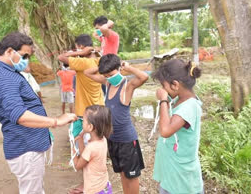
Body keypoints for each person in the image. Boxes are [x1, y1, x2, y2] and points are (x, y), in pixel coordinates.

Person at [0, 32, 77, 194]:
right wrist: (56, 121)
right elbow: (19, 115)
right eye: (24, 55)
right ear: (9, 52)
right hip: (25, 146)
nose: (26, 60)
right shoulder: (5, 78)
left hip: (26, 142)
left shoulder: (6, 72)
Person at [84, 54, 149, 194]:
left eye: (111, 74)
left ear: (119, 68)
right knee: (122, 174)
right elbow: (87, 72)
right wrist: (103, 67)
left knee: (132, 176)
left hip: (127, 140)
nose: (108, 77)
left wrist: (128, 67)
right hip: (112, 139)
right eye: (106, 75)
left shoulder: (127, 86)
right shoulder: (107, 83)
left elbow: (144, 77)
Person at [58, 34, 104, 194]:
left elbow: (61, 57)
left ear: (82, 48)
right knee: (97, 148)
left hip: (85, 114)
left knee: (85, 151)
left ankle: (87, 185)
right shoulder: (100, 60)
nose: (75, 51)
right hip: (100, 110)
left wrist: (77, 53)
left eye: (77, 48)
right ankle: (91, 183)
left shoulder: (82, 62)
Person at [152, 59, 204, 194]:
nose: (163, 90)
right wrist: (168, 101)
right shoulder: (178, 100)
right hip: (172, 170)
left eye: (164, 86)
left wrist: (163, 100)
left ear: (175, 85)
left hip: (182, 177)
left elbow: (165, 130)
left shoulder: (190, 106)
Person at [72, 105, 113, 194]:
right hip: (104, 186)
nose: (82, 122)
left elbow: (77, 166)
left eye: (83, 120)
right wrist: (80, 139)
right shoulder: (103, 140)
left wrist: (73, 147)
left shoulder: (91, 147)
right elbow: (85, 157)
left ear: (90, 127)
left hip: (94, 190)